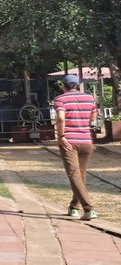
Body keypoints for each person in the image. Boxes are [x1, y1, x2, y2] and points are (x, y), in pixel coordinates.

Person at [52, 74, 98, 220]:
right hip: (86, 141)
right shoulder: (89, 98)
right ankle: (73, 206)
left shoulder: (60, 99)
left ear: (63, 86)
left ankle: (89, 209)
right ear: (77, 85)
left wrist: (61, 136)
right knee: (80, 175)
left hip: (69, 142)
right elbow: (93, 117)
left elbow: (60, 117)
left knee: (74, 174)